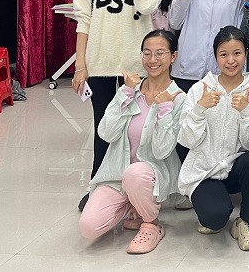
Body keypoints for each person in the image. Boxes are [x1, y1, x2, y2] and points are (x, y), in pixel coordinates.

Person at [72, 0, 163, 211]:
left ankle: (135, 190)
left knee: (134, 131)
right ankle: (97, 186)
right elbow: (83, 22)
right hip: (100, 66)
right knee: (103, 128)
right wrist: (81, 65)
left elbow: (147, 6)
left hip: (135, 69)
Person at [78, 29, 185, 254]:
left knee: (135, 174)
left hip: (150, 176)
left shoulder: (178, 98)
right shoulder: (130, 90)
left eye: (160, 53)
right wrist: (125, 93)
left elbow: (162, 150)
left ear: (173, 56)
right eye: (147, 53)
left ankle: (151, 223)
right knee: (88, 227)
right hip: (118, 175)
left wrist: (165, 109)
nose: (152, 60)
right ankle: (133, 203)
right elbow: (106, 133)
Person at [178, 27, 249, 251]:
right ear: (215, 56)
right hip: (204, 171)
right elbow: (187, 141)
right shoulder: (199, 89)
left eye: (237, 53)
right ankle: (216, 210)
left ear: (246, 53)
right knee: (214, 218)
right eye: (224, 54)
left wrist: (246, 112)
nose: (231, 60)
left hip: (236, 168)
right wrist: (199, 110)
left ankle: (248, 223)